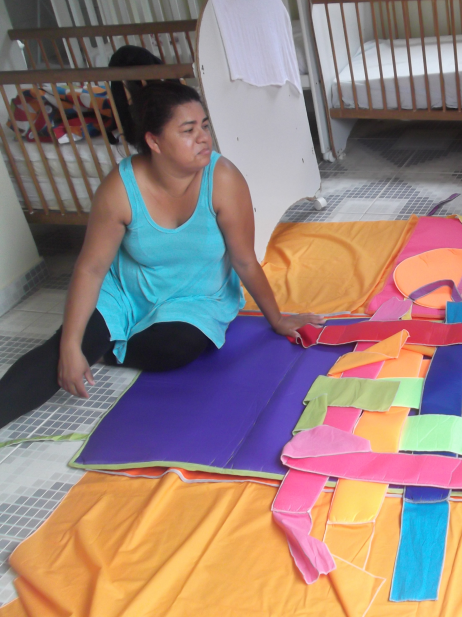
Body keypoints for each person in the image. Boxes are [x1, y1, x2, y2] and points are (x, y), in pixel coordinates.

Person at [0, 80, 322, 428]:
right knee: (62, 352)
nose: (203, 138)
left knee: (177, 348)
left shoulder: (224, 179)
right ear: (154, 141)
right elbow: (91, 270)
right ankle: (92, 343)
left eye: (204, 126)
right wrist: (70, 345)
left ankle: (104, 347)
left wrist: (276, 319)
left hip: (197, 296)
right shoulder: (120, 187)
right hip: (125, 292)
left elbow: (244, 259)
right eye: (188, 130)